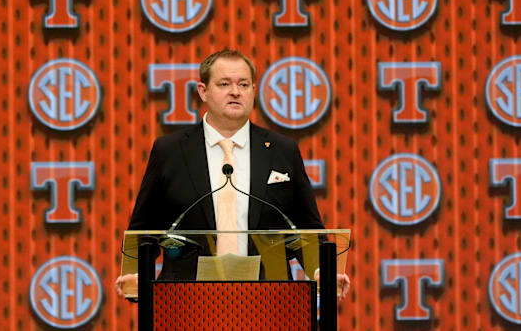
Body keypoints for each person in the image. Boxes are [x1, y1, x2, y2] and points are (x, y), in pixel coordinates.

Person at [115, 49, 349, 297]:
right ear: (203, 91)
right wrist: (138, 272)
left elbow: (307, 229)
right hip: (186, 299)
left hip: (267, 299)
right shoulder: (170, 151)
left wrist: (320, 269)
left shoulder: (282, 150)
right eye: (224, 83)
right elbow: (145, 230)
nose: (235, 91)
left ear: (253, 91)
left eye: (243, 84)